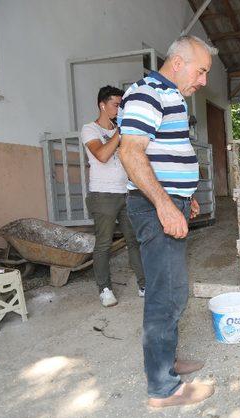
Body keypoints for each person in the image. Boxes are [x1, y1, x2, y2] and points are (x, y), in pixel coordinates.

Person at [118, 35, 217, 408]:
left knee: (175, 291)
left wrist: (183, 198)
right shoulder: (147, 92)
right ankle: (162, 388)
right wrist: (163, 204)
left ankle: (168, 360)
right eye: (202, 70)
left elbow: (164, 154)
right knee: (163, 295)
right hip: (152, 207)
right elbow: (131, 154)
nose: (204, 80)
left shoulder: (169, 95)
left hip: (168, 202)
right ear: (178, 63)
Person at [80, 85, 146, 307]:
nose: (119, 110)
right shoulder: (90, 130)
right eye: (116, 105)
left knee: (134, 241)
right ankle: (104, 289)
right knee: (104, 244)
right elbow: (102, 155)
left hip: (126, 193)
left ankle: (144, 285)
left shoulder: (122, 130)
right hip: (103, 195)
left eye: (121, 106)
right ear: (102, 104)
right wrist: (120, 132)